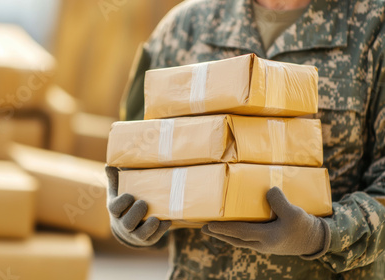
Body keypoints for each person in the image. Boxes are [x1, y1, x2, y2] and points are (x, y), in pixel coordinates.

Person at [105, 0, 385, 279]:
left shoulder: (374, 25)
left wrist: (321, 236)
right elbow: (134, 153)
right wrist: (130, 221)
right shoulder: (185, 25)